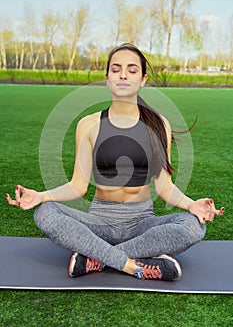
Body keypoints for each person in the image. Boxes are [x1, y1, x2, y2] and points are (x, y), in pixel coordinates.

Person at [6, 43, 224, 281]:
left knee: (194, 226)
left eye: (131, 70)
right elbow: (78, 186)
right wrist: (41, 196)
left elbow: (164, 187)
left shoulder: (158, 124)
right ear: (107, 77)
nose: (123, 74)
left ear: (142, 79)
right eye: (116, 69)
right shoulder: (88, 124)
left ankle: (96, 259)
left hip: (142, 222)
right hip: (99, 221)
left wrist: (192, 205)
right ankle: (133, 264)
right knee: (45, 213)